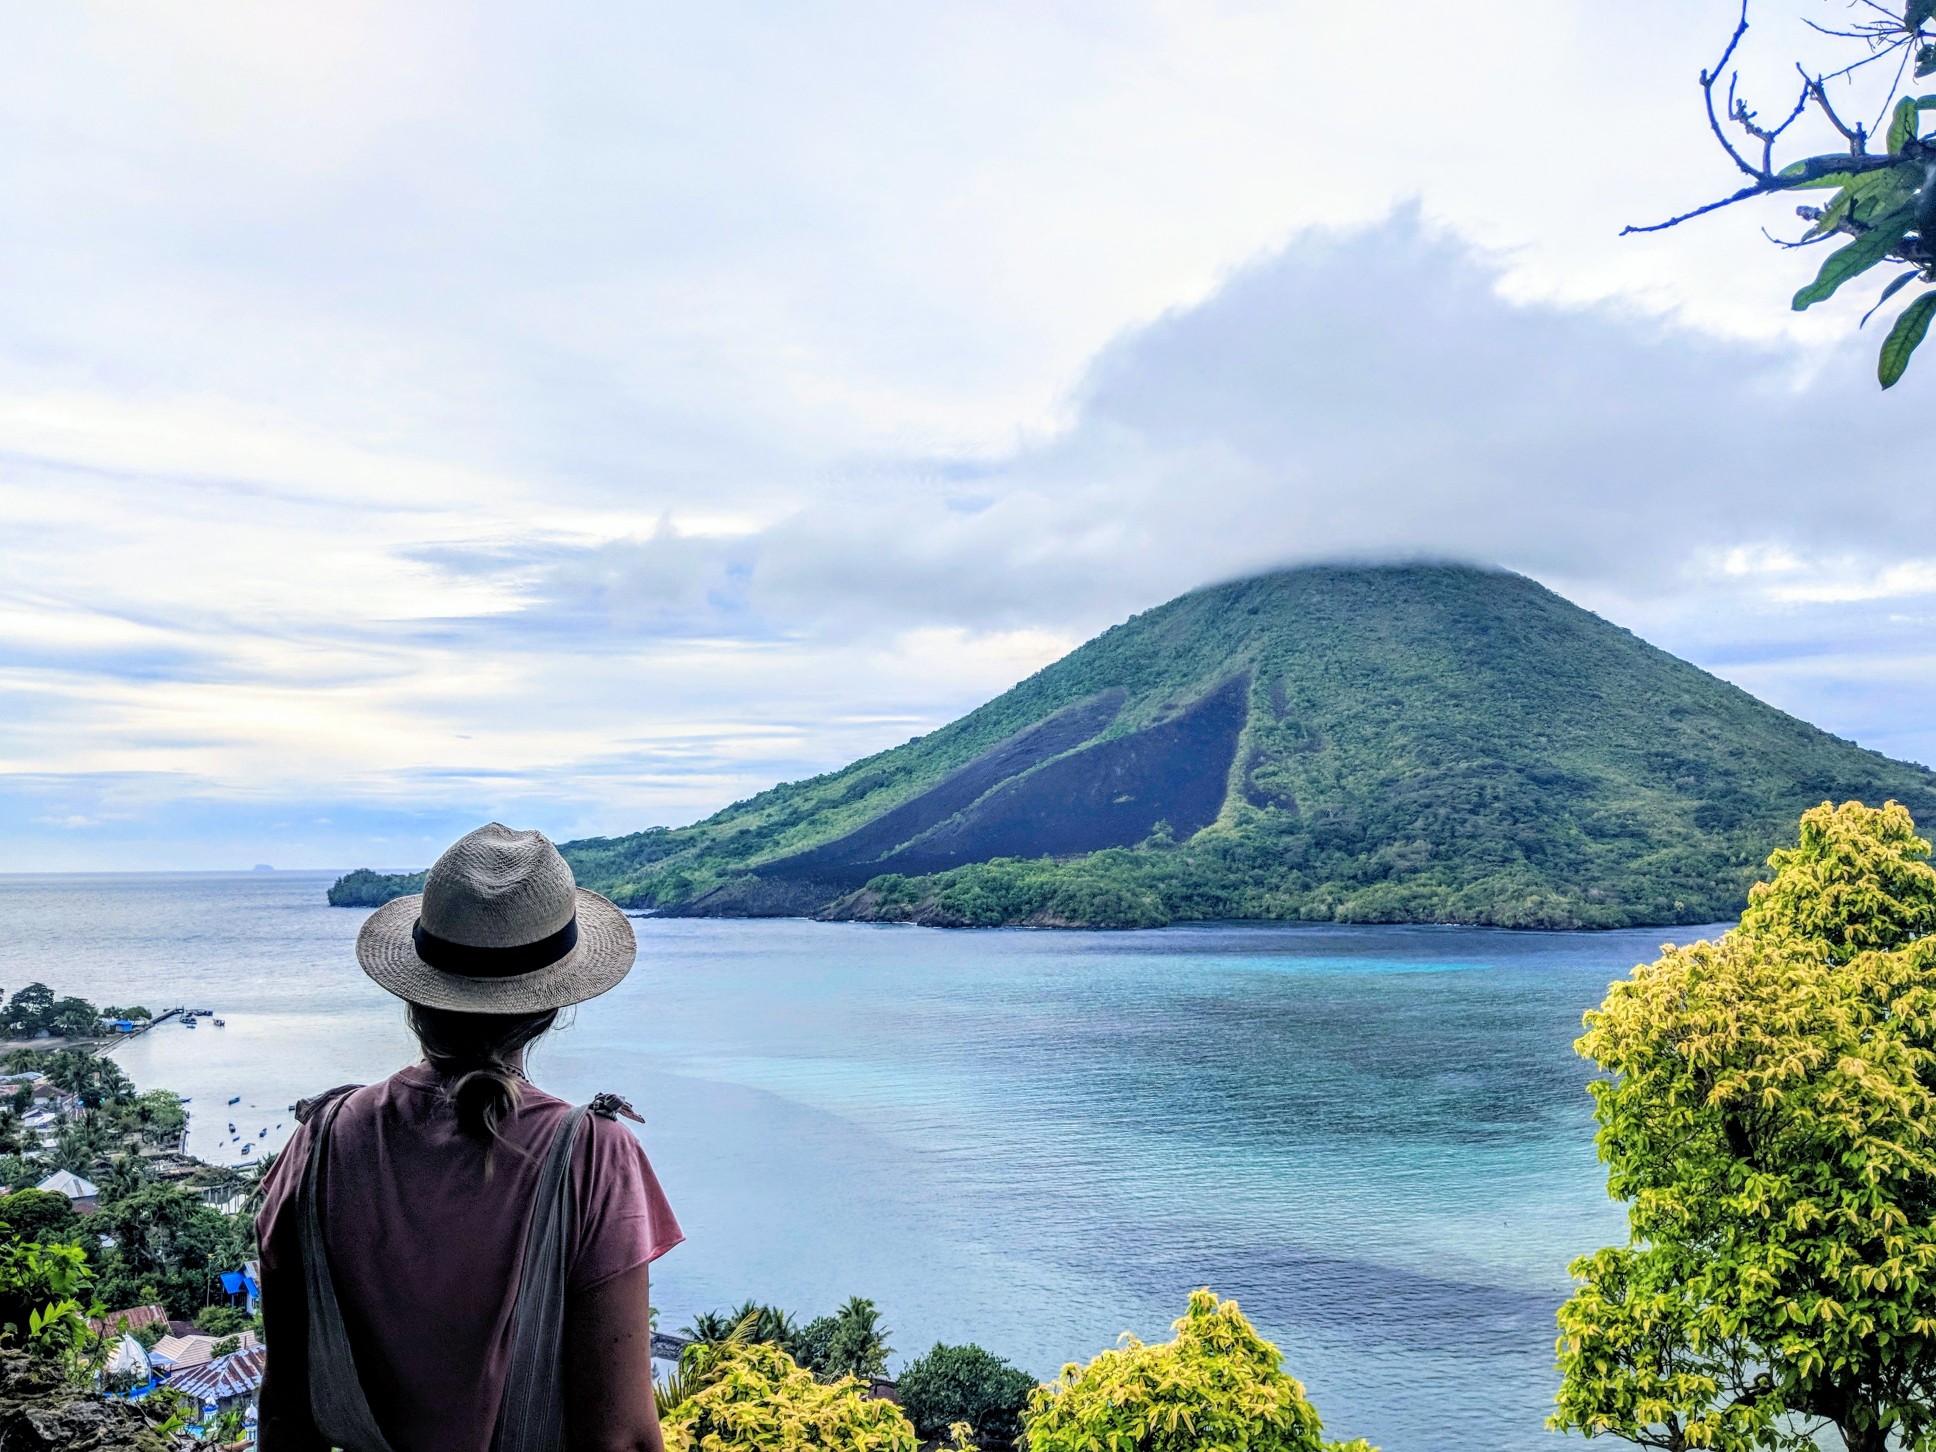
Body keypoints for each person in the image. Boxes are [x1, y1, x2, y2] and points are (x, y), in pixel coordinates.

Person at [255, 824, 683, 1452]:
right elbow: (620, 1439)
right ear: (550, 1008)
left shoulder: (319, 1143)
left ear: (414, 996)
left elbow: (288, 1408)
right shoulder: (592, 1156)